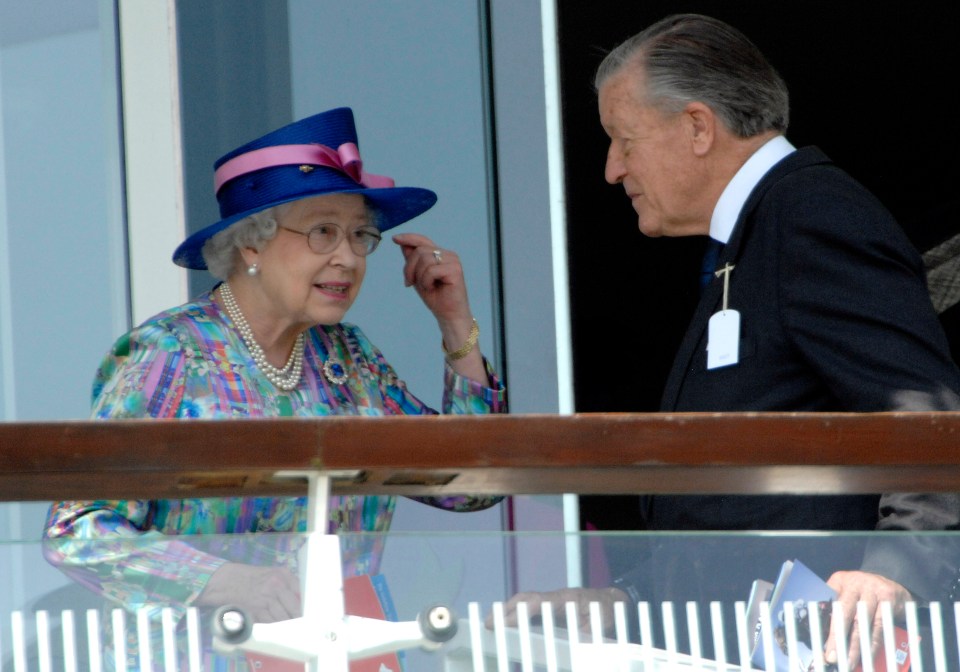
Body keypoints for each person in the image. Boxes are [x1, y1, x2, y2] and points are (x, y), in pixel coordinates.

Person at [497, 13, 960, 669]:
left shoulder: (812, 215)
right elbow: (736, 508)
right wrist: (626, 599)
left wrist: (899, 568)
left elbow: (925, 407)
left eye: (624, 139)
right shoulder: (749, 239)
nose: (610, 168)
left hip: (833, 645)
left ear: (696, 127)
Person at [42, 106, 506, 666]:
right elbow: (79, 530)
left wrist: (456, 324)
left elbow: (471, 487)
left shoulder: (350, 358)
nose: (348, 258)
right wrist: (222, 579)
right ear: (252, 245)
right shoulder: (171, 354)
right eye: (323, 232)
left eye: (361, 236)